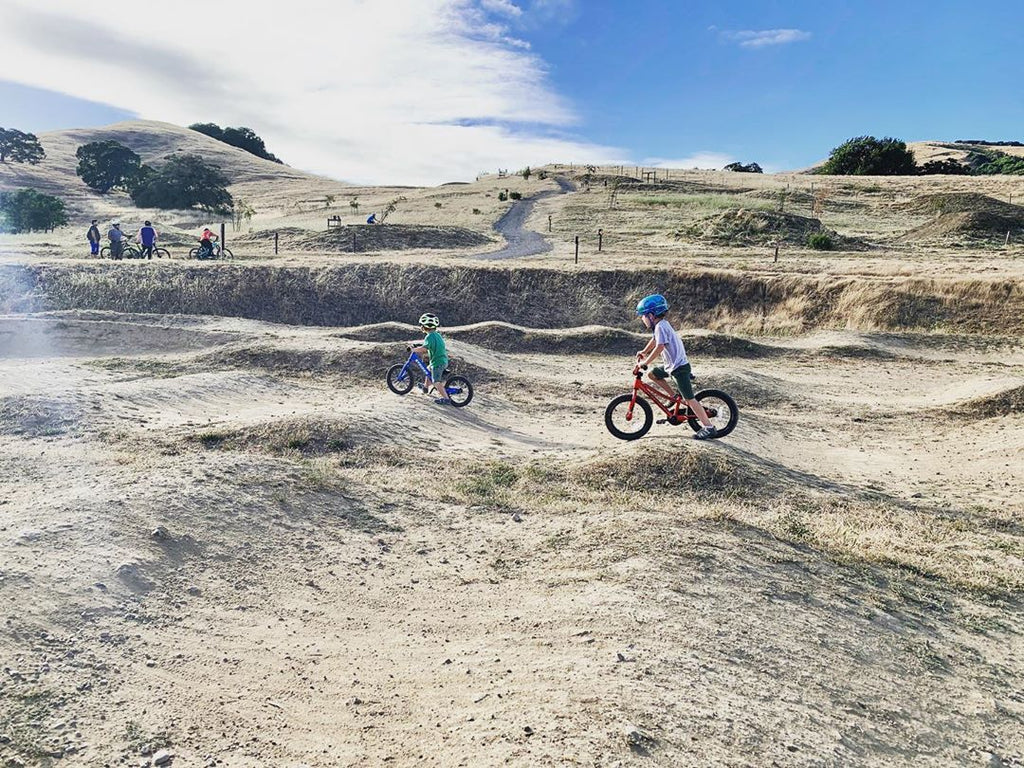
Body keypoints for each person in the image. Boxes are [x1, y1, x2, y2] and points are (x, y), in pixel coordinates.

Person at [634, 294, 717, 440]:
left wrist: (645, 362)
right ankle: (673, 397)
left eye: (644, 316)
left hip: (679, 369)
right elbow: (654, 340)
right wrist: (644, 351)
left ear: (652, 316)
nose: (642, 319)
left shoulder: (661, 327)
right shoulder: (661, 325)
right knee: (653, 374)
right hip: (671, 366)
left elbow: (660, 347)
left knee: (690, 400)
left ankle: (709, 427)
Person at [410, 313, 450, 404]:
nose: (420, 327)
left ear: (425, 326)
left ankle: (446, 399)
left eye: (421, 325)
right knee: (428, 370)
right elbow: (428, 345)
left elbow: (424, 349)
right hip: (442, 360)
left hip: (438, 363)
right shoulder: (436, 335)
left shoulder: (429, 336)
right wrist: (418, 346)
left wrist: (414, 350)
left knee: (436, 382)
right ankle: (425, 387)